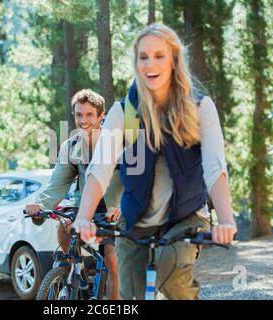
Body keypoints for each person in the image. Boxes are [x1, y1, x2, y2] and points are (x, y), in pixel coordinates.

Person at [73, 23, 237, 300]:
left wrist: (226, 220)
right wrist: (83, 216)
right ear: (136, 62)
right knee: (131, 294)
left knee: (170, 268)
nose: (151, 64)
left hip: (186, 217)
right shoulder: (123, 112)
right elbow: (100, 169)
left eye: (159, 56)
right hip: (135, 219)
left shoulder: (198, 107)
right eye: (143, 57)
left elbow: (214, 169)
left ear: (173, 60)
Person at [25, 89, 123, 300]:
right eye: (79, 115)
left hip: (113, 208)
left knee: (111, 258)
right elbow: (57, 184)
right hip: (84, 206)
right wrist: (39, 205)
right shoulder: (70, 147)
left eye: (89, 115)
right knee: (63, 226)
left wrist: (123, 207)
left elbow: (135, 183)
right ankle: (73, 275)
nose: (83, 120)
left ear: (101, 116)